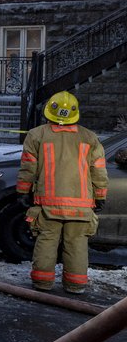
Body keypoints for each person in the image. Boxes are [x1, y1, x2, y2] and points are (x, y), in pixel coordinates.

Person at [17, 91, 108, 294]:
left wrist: (23, 192)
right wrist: (100, 196)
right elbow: (99, 170)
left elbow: (28, 168)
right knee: (76, 245)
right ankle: (76, 285)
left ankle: (42, 283)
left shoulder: (36, 135)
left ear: (49, 111)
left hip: (48, 205)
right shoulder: (89, 137)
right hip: (81, 206)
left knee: (47, 241)